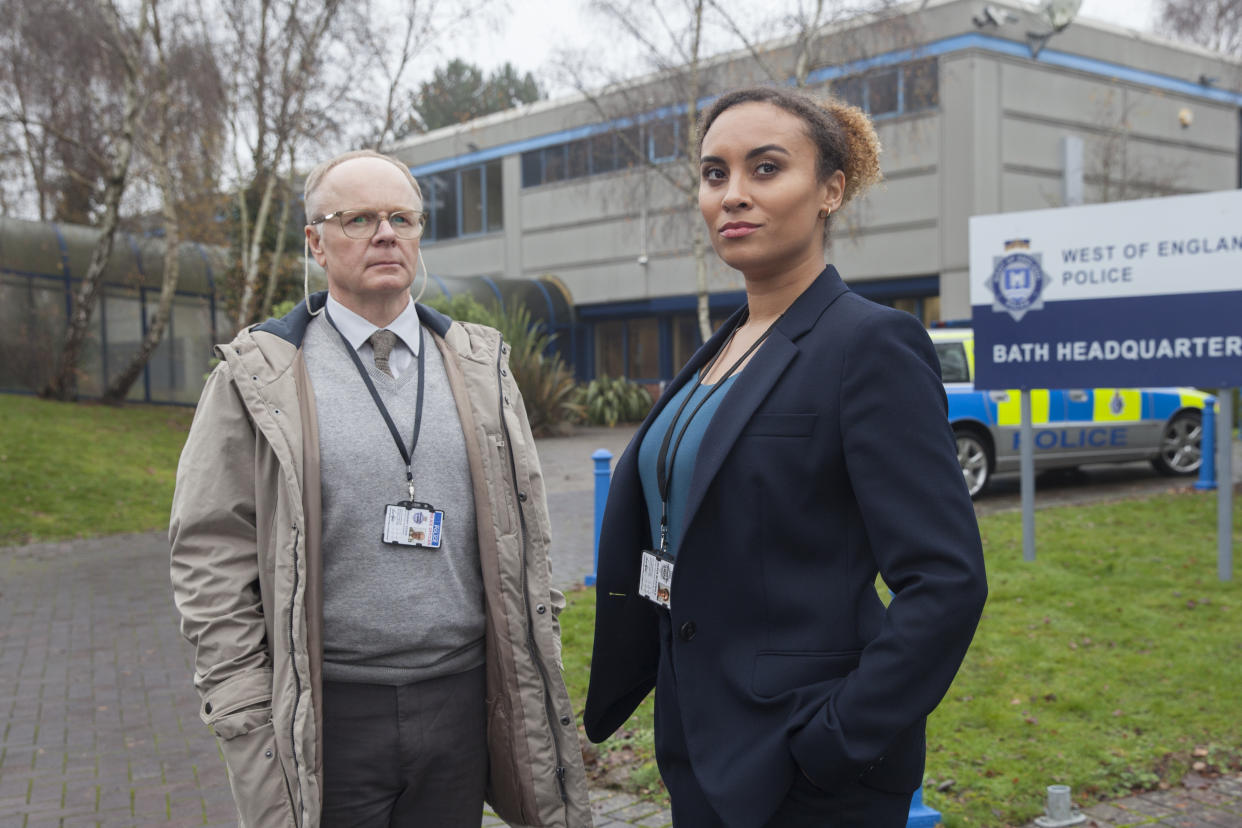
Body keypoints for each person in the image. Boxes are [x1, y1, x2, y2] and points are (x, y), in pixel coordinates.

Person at [583, 87, 988, 828]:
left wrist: (833, 742)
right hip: (701, 743)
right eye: (714, 174)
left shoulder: (870, 346)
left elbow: (946, 582)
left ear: (831, 189)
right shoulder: (722, 346)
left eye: (765, 169)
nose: (733, 195)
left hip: (807, 769)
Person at [170, 149, 589, 828]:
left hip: (462, 704)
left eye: (401, 217)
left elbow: (527, 525)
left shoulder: (481, 368)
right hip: (331, 714)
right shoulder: (259, 376)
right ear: (316, 241)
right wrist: (242, 698)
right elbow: (208, 549)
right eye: (358, 219)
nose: (386, 234)